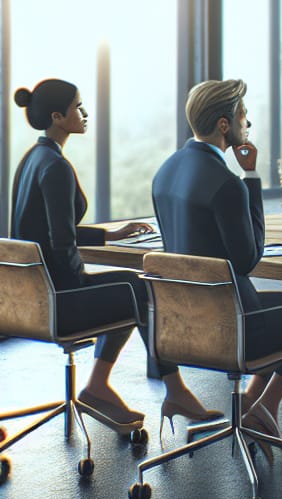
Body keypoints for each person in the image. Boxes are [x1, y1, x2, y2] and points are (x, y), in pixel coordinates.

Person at [10, 79, 212, 435]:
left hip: (31, 300)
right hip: (59, 302)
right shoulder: (56, 166)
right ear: (58, 116)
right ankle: (173, 390)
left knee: (126, 288)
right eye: (78, 107)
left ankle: (101, 386)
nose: (85, 114)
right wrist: (83, 286)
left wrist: (110, 235)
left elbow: (45, 232)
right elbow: (60, 244)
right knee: (140, 288)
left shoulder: (32, 159)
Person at [151, 79, 282, 449]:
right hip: (235, 328)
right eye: (243, 115)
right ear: (225, 125)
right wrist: (251, 178)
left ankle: (250, 402)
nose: (247, 123)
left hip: (183, 326)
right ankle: (266, 406)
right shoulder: (226, 183)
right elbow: (248, 259)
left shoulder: (165, 172)